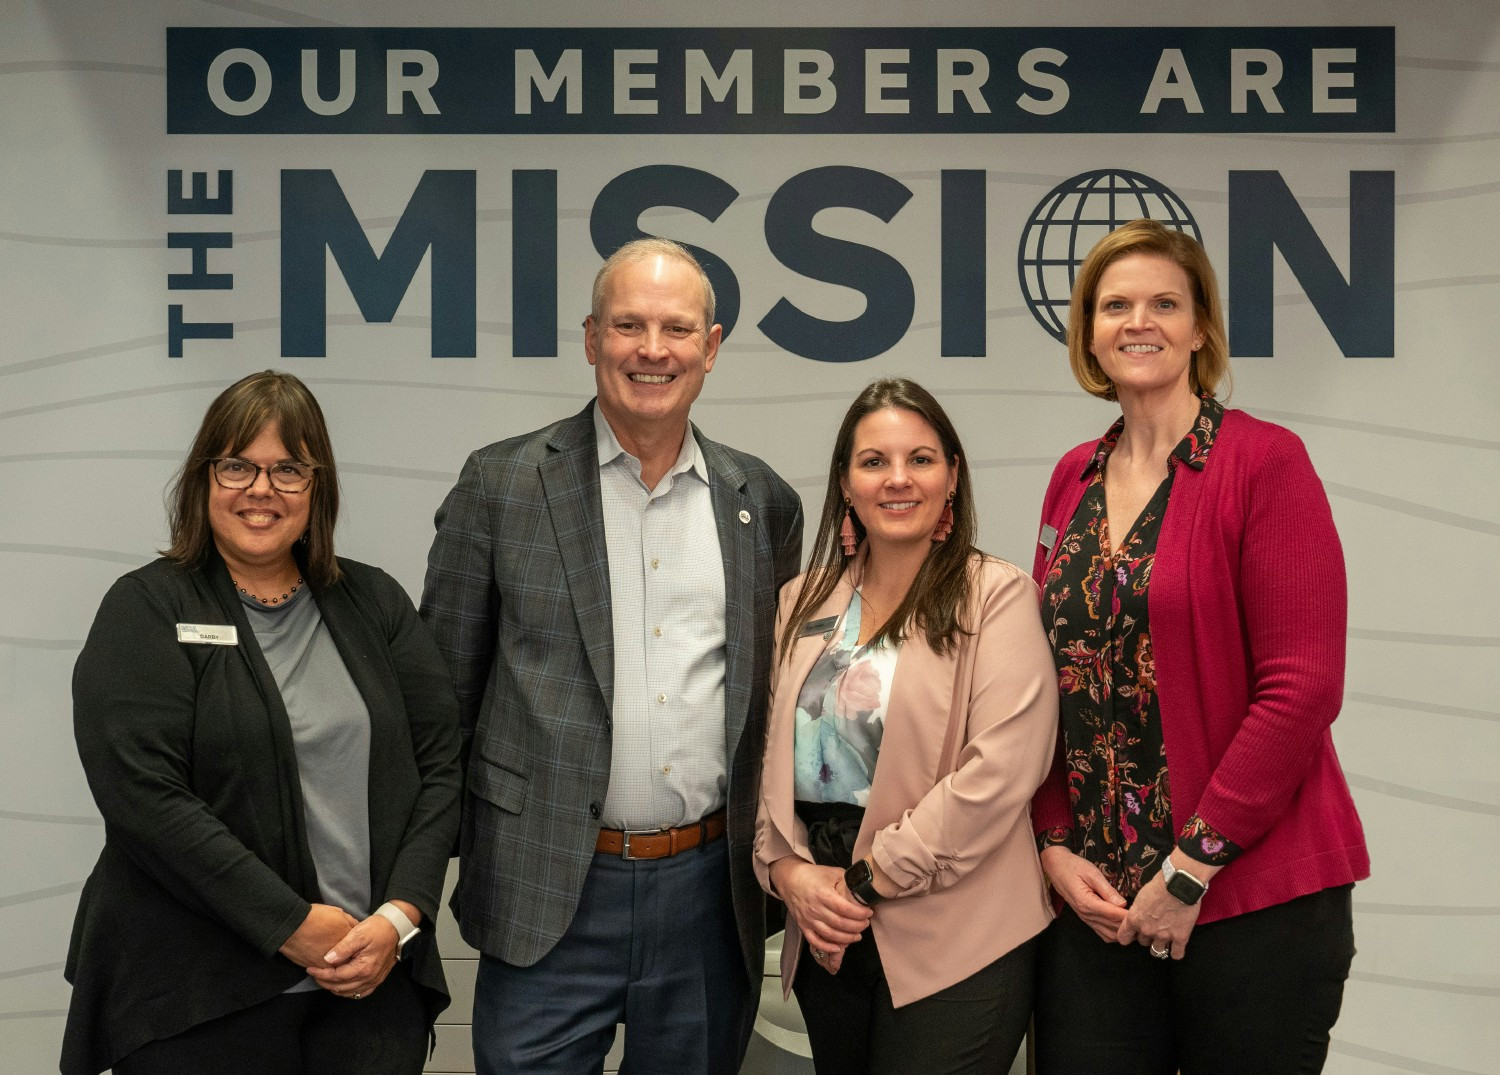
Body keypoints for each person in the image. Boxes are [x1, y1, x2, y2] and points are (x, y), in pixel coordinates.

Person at [421, 237, 803, 1073]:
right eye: (628, 325)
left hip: (708, 892)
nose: (652, 350)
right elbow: (441, 702)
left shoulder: (761, 500)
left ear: (712, 345)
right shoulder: (502, 485)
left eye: (676, 327)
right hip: (549, 885)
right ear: (592, 339)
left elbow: (775, 706)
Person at [1029, 219, 1370, 1074]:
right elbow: (1047, 677)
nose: (1138, 322)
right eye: (1115, 305)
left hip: (1249, 903)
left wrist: (1189, 870)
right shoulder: (1071, 476)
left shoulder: (1264, 463)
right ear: (1089, 331)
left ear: (1201, 328)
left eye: (1164, 303)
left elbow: (1302, 688)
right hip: (1098, 908)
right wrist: (1054, 840)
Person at [61, 371, 462, 1075]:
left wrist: (400, 918)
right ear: (204, 478)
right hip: (198, 993)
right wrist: (293, 926)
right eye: (238, 464)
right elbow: (144, 798)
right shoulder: (146, 609)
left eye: (288, 469)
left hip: (366, 985)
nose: (261, 489)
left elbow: (441, 768)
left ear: (318, 487)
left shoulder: (376, 603)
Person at [754, 378, 1059, 1074]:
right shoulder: (800, 603)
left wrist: (864, 882)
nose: (898, 478)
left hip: (956, 933)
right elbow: (768, 759)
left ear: (952, 477)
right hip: (827, 926)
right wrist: (787, 871)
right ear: (845, 482)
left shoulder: (997, 596)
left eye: (920, 459)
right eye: (874, 461)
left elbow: (1002, 770)